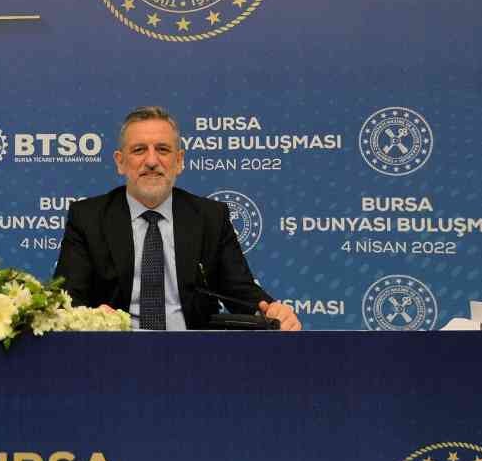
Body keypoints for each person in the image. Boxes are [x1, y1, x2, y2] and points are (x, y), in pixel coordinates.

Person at [54, 106, 301, 331]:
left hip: (194, 353)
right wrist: (92, 317)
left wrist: (272, 311)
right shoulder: (88, 218)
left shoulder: (210, 217)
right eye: (139, 150)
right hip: (114, 351)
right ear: (120, 162)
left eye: (162, 149)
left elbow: (240, 291)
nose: (152, 161)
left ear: (179, 161)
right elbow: (67, 300)